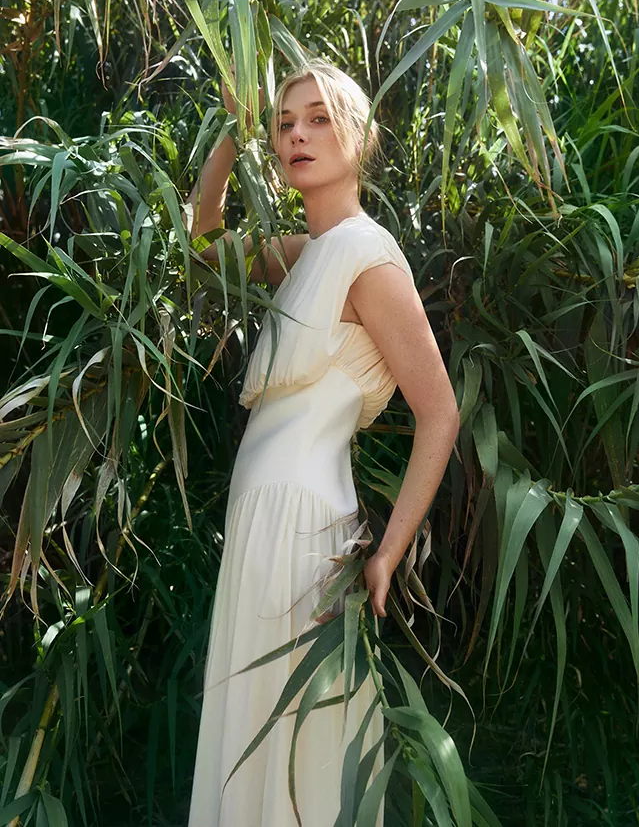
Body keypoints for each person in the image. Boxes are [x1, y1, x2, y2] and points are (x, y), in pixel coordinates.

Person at [185, 58, 460, 826]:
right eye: (283, 124)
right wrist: (233, 133)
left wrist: (388, 554)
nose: (297, 135)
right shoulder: (305, 252)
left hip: (303, 529)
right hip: (260, 522)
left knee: (295, 744)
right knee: (255, 731)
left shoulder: (369, 258)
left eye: (318, 119)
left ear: (360, 137)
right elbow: (202, 246)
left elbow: (440, 413)